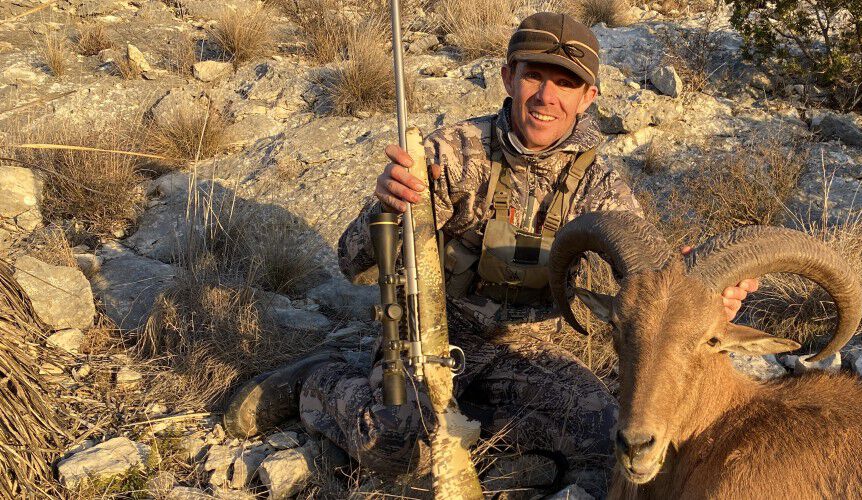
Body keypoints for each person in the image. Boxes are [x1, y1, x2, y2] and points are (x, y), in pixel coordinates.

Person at [223, 11, 758, 496]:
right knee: (395, 449)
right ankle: (319, 382)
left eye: (566, 83)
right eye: (534, 75)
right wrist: (383, 208)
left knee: (607, 448)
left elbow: (647, 301)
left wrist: (703, 303)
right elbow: (351, 263)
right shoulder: (446, 154)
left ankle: (491, 452)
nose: (547, 95)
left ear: (588, 97)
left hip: (534, 354)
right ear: (508, 76)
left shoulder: (604, 190)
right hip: (436, 339)